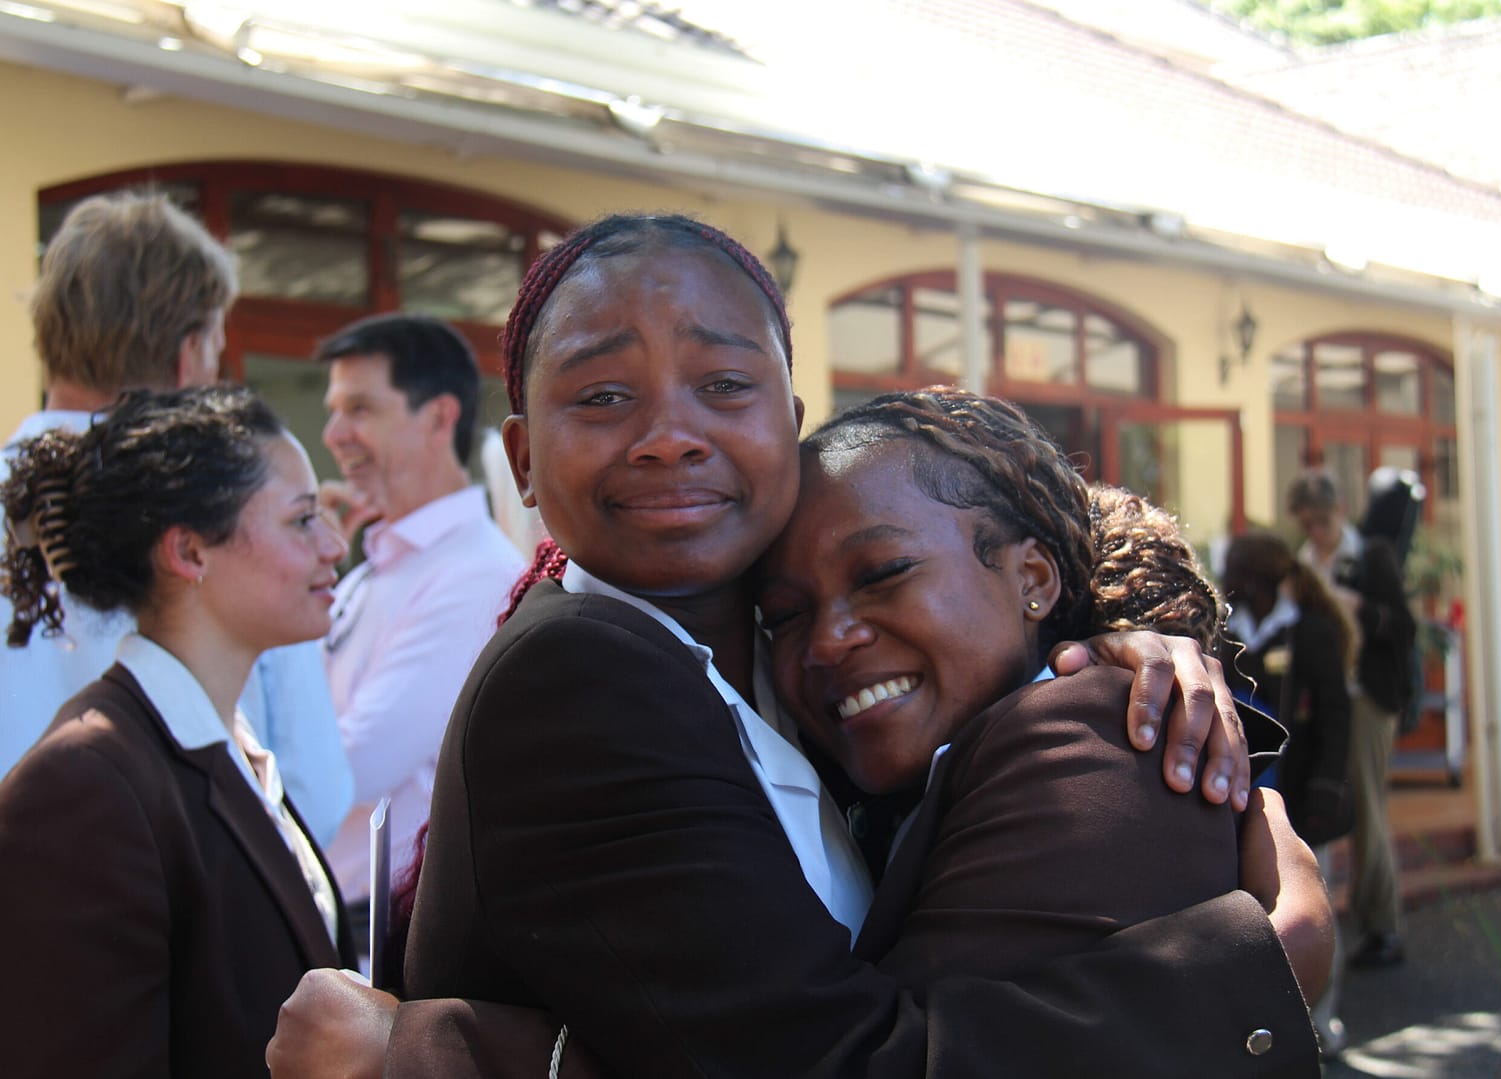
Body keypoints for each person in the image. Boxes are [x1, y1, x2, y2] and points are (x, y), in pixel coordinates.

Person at [268, 214, 1328, 1078]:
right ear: (522, 461)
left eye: (725, 385)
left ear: (789, 415)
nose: (669, 435)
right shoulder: (583, 674)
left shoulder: (766, 659)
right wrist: (1264, 969)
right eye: (602, 396)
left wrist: (1117, 634)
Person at [755, 390, 1320, 1003]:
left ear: (1033, 578)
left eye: (881, 575)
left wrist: (1283, 955)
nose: (826, 641)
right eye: (784, 616)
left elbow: (903, 1047)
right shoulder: (895, 775)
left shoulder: (1087, 748)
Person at [0, 385, 356, 1078]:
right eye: (302, 520)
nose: (335, 545)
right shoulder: (84, 784)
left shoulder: (225, 745)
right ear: (190, 551)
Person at [1, 190, 353, 846]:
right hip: (193, 880)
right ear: (190, 354)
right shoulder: (231, 502)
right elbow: (311, 788)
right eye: (217, 344)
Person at [314, 313, 525, 944]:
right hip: (334, 920)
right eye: (334, 411)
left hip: (379, 941)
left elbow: (348, 769)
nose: (334, 435)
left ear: (438, 418)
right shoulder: (367, 570)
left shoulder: (476, 573)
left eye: (359, 409)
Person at [1223, 529, 1357, 1056]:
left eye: (1235, 574)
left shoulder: (1310, 633)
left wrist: (1326, 788)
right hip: (1244, 801)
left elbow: (1335, 718)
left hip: (1299, 798)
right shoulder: (1225, 631)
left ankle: (1320, 1021)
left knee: (1311, 910)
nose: (1226, 582)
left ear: (1257, 581)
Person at [1288, 469, 1415, 968]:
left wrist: (1354, 605)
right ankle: (1358, 919)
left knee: (1367, 808)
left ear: (1340, 510)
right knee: (1338, 801)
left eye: (1322, 521)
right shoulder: (1304, 562)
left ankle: (1382, 924)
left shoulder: (1371, 555)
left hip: (1369, 697)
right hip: (1331, 699)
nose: (1316, 532)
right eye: (1307, 524)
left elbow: (1403, 627)